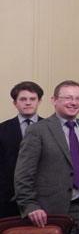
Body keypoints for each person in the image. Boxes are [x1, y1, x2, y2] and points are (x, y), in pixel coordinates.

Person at [13, 80, 79, 234]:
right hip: (55, 209)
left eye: (77, 98)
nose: (73, 102)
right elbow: (23, 174)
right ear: (54, 100)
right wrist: (30, 205)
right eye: (67, 98)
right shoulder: (38, 130)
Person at [0, 81, 44, 218]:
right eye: (23, 99)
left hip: (43, 198)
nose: (28, 103)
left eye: (32, 99)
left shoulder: (51, 129)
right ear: (15, 103)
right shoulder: (2, 130)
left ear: (39, 101)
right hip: (8, 199)